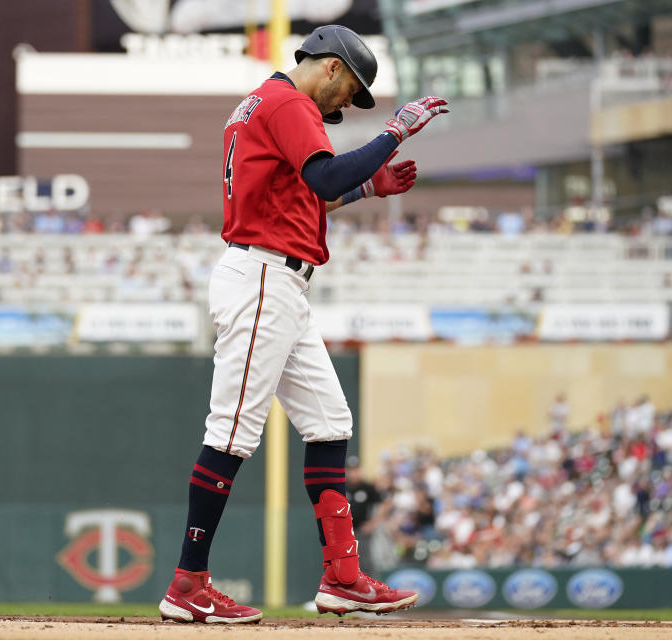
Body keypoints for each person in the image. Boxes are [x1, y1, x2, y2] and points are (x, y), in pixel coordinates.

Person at [158, 24, 447, 624]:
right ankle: (188, 583)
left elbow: (302, 193)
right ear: (332, 67)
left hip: (278, 280)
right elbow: (323, 177)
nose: (348, 104)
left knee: (329, 423)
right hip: (262, 277)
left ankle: (343, 577)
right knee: (233, 432)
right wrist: (394, 131)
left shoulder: (266, 101)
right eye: (351, 91)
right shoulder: (290, 102)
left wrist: (368, 186)